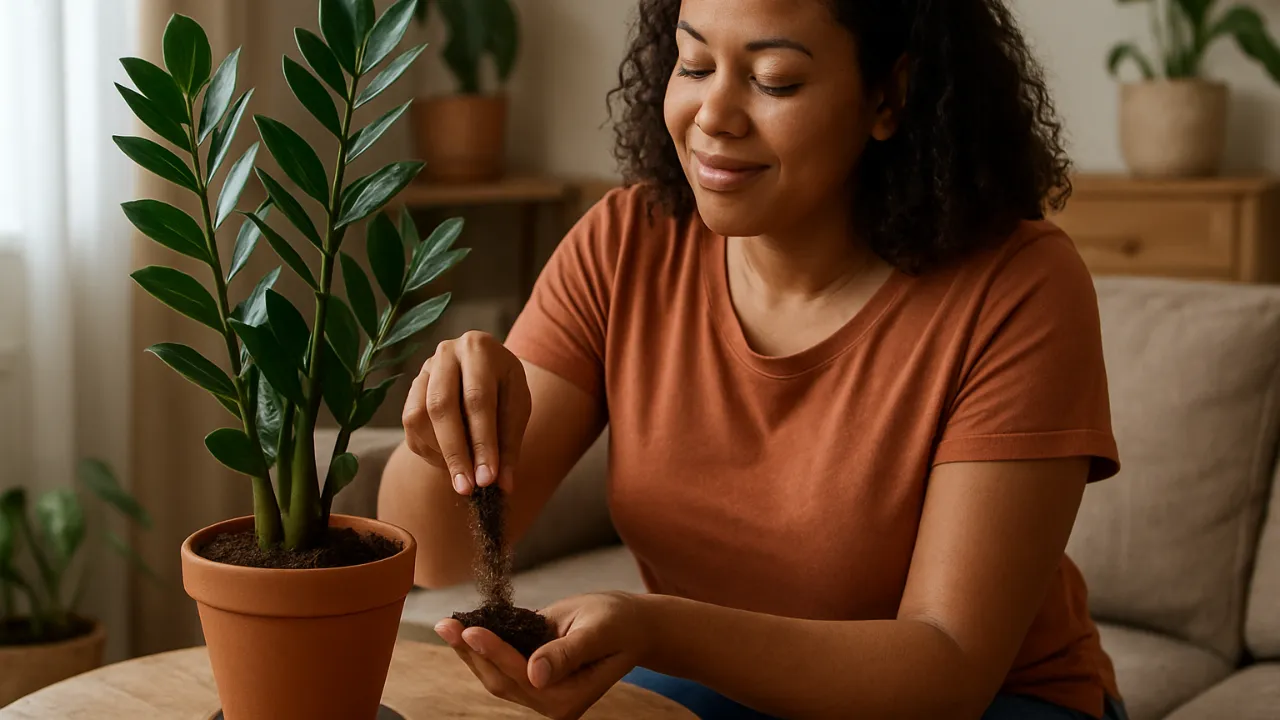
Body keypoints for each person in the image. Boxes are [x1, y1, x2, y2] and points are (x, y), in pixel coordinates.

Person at [377, 0, 1130, 718]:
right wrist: (439, 428)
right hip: (726, 690)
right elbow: (436, 559)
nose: (713, 118)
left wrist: (661, 631)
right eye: (694, 64)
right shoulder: (627, 244)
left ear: (890, 96)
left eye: (774, 81)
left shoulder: (1019, 288)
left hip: (995, 705)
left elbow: (948, 669)